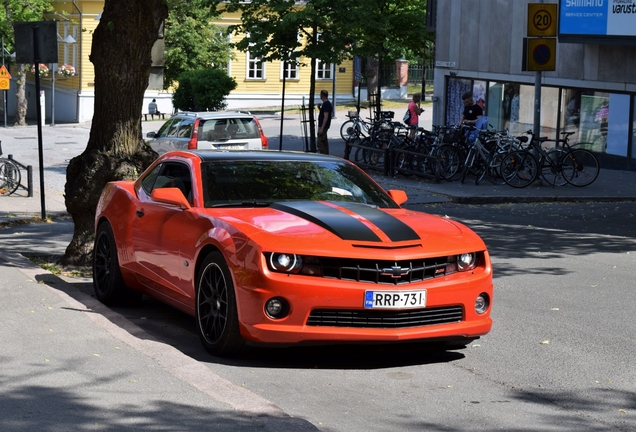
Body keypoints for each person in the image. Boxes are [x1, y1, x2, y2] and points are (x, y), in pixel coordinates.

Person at [317, 90, 332, 154]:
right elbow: (324, 114)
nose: (320, 96)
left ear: (322, 95)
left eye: (320, 95)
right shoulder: (325, 104)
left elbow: (326, 117)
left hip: (323, 126)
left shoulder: (326, 104)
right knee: (324, 142)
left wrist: (322, 128)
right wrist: (319, 108)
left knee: (319, 142)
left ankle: (324, 155)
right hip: (323, 125)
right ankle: (327, 155)